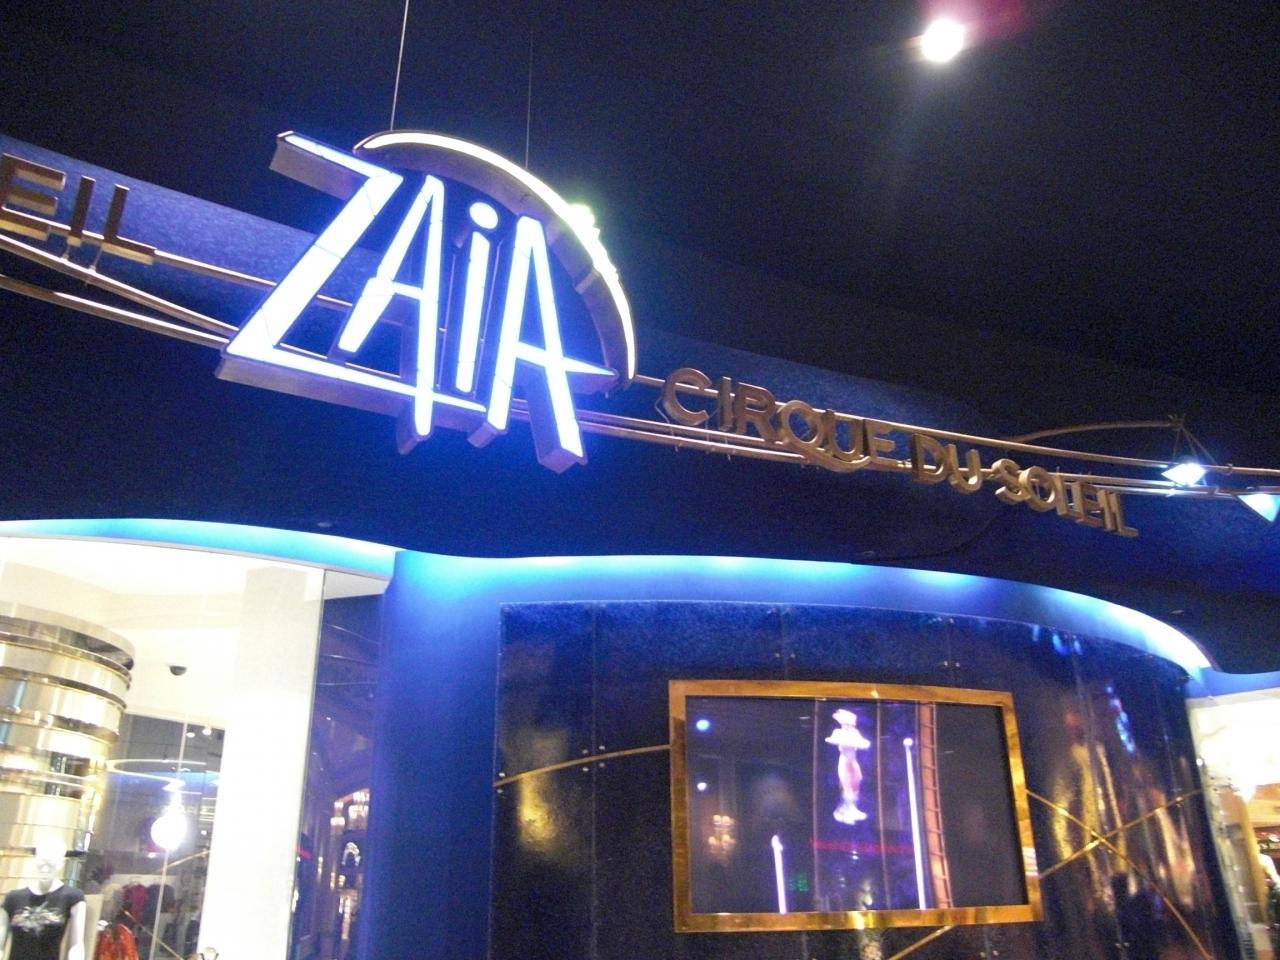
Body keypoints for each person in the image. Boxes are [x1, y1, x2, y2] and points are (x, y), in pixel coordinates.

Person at [0, 841, 86, 960]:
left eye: (51, 862)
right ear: (35, 860)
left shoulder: (72, 897)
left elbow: (76, 945)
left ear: (61, 863)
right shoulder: (13, 898)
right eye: (42, 860)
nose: (46, 867)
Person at [825, 708, 872, 824]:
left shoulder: (854, 733)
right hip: (845, 761)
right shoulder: (838, 732)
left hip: (853, 761)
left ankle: (853, 808)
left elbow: (863, 743)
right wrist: (850, 742)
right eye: (849, 723)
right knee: (848, 786)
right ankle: (846, 810)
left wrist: (857, 743)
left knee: (856, 782)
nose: (851, 725)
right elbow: (834, 740)